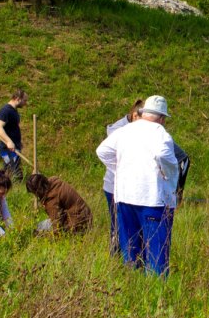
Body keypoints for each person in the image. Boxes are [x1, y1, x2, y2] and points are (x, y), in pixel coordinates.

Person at [95, 94, 179, 276]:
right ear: (162, 118)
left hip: (124, 198)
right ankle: (156, 293)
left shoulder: (125, 131)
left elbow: (102, 151)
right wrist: (169, 177)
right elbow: (164, 155)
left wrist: (120, 170)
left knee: (131, 253)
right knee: (156, 254)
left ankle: (133, 287)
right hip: (152, 201)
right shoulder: (160, 133)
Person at [102, 99, 143, 255]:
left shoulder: (134, 128)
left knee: (131, 225)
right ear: (134, 116)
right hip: (115, 186)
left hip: (130, 186)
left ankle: (131, 256)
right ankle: (116, 255)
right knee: (118, 225)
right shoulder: (118, 131)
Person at [25, 172, 93, 234]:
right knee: (41, 224)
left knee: (39, 226)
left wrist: (41, 235)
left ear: (37, 191)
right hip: (86, 216)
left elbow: (57, 227)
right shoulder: (54, 183)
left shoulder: (51, 200)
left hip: (78, 224)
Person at [0, 89, 27, 180]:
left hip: (14, 146)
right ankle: (15, 190)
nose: (26, 103)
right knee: (15, 173)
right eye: (24, 100)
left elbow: (12, 128)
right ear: (18, 99)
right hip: (8, 148)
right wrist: (9, 142)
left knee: (7, 171)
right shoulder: (6, 110)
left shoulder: (14, 111)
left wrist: (17, 142)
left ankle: (3, 187)